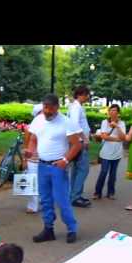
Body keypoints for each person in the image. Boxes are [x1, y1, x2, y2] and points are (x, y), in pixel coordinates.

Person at [26, 94, 83, 244]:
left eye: (51, 108)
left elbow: (77, 144)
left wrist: (65, 160)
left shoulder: (66, 122)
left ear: (57, 107)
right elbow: (33, 139)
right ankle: (48, 229)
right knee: (45, 200)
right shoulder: (38, 120)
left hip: (58, 166)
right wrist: (30, 150)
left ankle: (71, 229)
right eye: (45, 108)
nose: (47, 111)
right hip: (42, 166)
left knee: (61, 199)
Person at [93, 104, 126, 200]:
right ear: (108, 112)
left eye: (115, 110)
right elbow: (103, 136)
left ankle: (111, 192)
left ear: (118, 113)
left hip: (117, 152)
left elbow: (123, 137)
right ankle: (97, 192)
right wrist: (116, 139)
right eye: (111, 110)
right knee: (103, 172)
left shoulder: (122, 123)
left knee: (113, 174)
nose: (113, 112)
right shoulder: (104, 122)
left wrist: (117, 126)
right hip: (106, 152)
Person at [68, 86, 91, 208]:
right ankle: (75, 196)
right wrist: (84, 138)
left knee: (77, 169)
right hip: (80, 142)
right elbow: (75, 124)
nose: (88, 97)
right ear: (80, 94)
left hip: (77, 141)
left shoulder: (76, 106)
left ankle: (75, 195)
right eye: (87, 94)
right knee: (83, 169)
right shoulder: (76, 107)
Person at [23, 104, 43, 214]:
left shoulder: (48, 126)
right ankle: (32, 205)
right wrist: (25, 160)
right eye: (41, 112)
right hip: (33, 159)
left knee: (42, 182)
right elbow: (26, 145)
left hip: (45, 159)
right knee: (32, 182)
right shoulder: (29, 128)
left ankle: (41, 200)